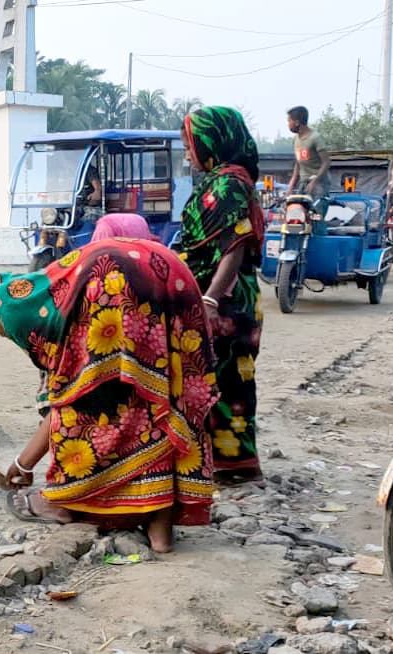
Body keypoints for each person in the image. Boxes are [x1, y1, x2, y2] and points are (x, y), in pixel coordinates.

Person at [0, 239, 219, 553]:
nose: (2, 333)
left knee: (85, 402)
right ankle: (161, 532)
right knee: (161, 395)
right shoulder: (55, 289)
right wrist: (23, 463)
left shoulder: (16, 310)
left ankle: (64, 503)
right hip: (170, 271)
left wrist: (24, 465)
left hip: (117, 279)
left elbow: (66, 397)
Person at [179, 106, 266, 485]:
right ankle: (226, 463)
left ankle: (233, 467)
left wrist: (212, 299)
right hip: (222, 298)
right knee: (221, 379)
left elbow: (237, 245)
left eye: (190, 144)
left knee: (224, 380)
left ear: (212, 142)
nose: (187, 152)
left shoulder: (229, 184)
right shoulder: (222, 180)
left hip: (226, 301)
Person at [285, 106, 330, 199]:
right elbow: (298, 165)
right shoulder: (295, 140)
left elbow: (326, 162)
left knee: (316, 212)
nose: (288, 124)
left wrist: (315, 181)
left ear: (297, 123)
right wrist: (290, 187)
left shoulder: (315, 138)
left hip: (319, 183)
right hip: (303, 182)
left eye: (289, 121)